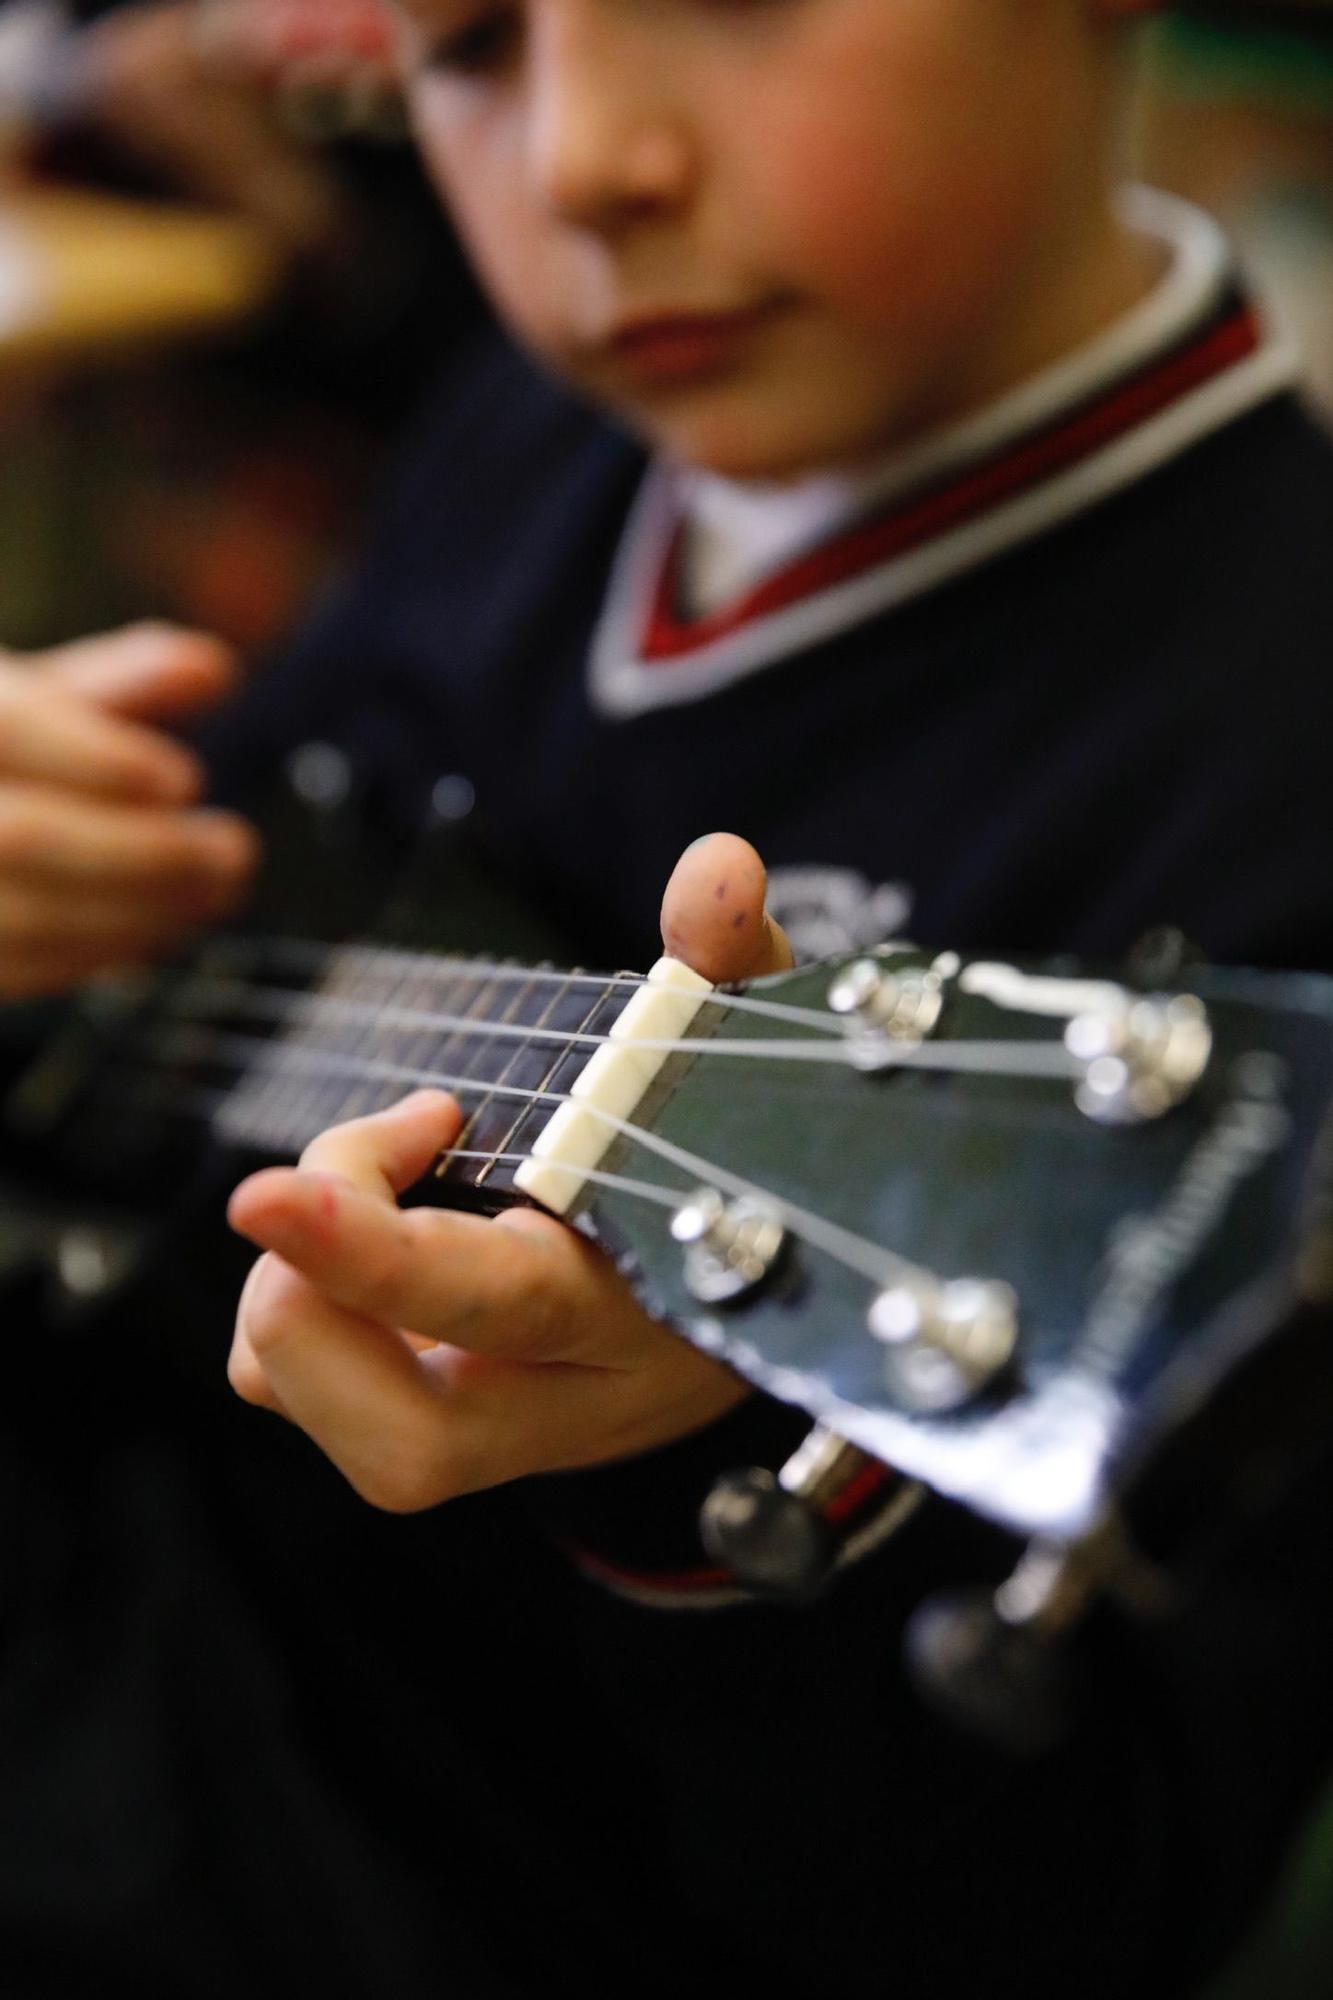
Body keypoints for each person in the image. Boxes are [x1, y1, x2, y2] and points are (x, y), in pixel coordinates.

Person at [4, 1, 1333, 1995]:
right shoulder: (542, 430)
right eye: (468, 46)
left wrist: (687, 1481)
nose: (575, 165)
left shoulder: (1275, 751)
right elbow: (240, 914)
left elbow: (1073, 1906)